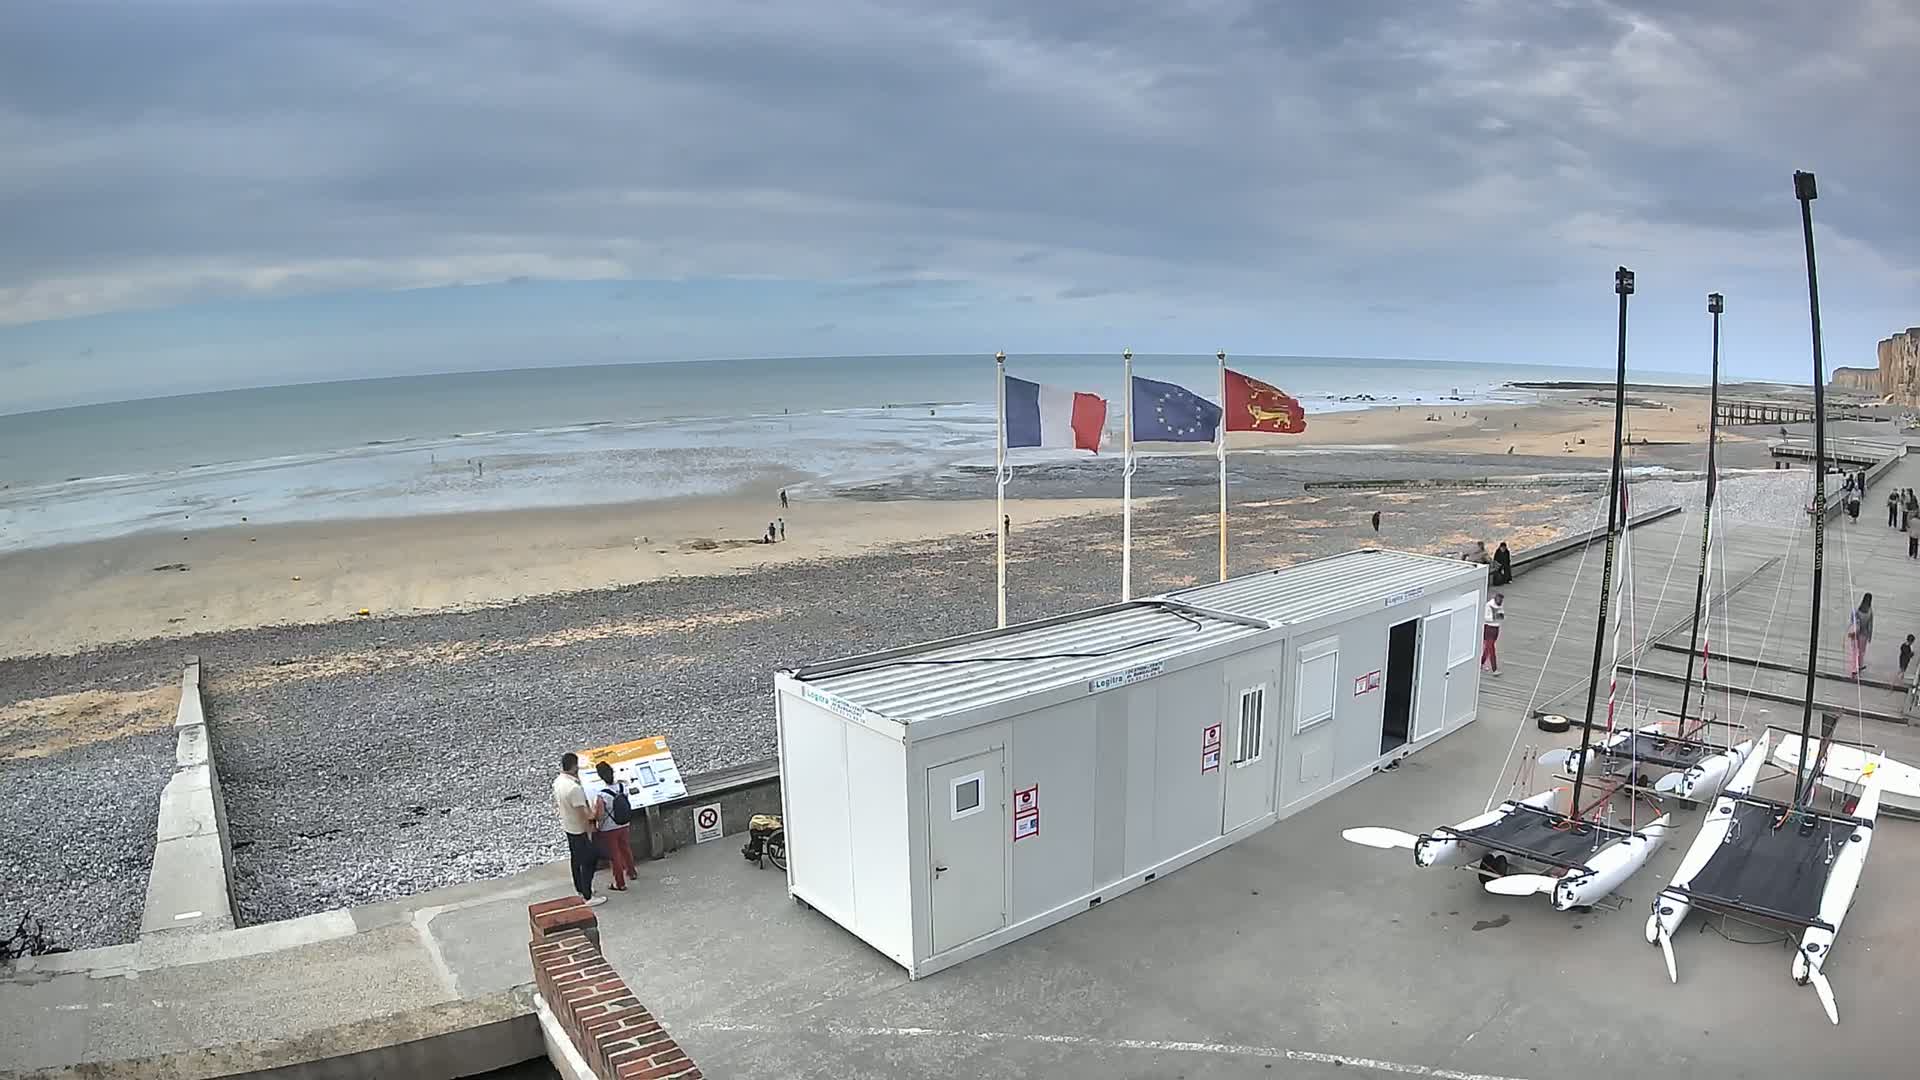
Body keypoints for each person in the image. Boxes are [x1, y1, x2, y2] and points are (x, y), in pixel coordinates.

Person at [553, 753, 605, 907]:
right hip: (579, 829)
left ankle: (580, 889)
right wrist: (596, 812)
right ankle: (588, 895)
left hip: (568, 826)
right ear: (574, 766)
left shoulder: (559, 782)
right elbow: (585, 814)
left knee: (576, 859)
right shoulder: (574, 788)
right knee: (590, 860)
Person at [590, 762, 635, 892]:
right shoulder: (622, 787)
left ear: (601, 776)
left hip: (609, 828)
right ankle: (631, 872)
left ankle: (619, 883)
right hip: (624, 823)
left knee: (614, 856)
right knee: (626, 848)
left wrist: (594, 820)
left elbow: (600, 814)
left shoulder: (602, 795)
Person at [1846, 593, 1873, 678]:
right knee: (1861, 652)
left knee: (1854, 652)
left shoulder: (1858, 609)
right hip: (1863, 635)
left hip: (1855, 634)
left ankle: (1854, 669)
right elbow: (1870, 625)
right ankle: (1859, 667)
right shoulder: (1870, 612)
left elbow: (1852, 620)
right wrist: (1870, 636)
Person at [1481, 592, 1505, 675]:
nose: (1500, 601)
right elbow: (1485, 617)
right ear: (1495, 598)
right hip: (1489, 628)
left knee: (1488, 648)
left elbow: (1501, 615)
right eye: (1499, 599)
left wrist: (1500, 616)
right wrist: (1494, 617)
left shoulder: (1500, 604)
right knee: (1491, 649)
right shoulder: (1489, 605)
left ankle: (1481, 662)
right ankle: (1494, 669)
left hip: (1496, 627)